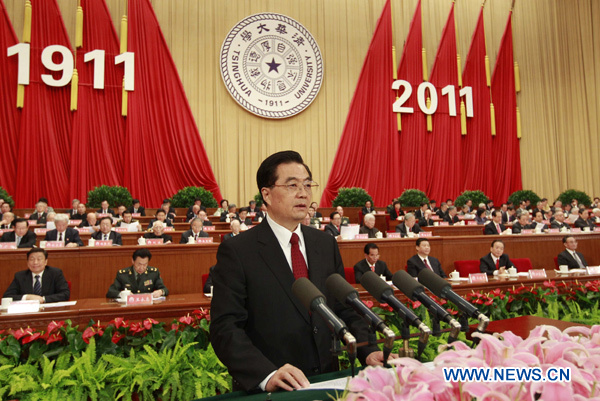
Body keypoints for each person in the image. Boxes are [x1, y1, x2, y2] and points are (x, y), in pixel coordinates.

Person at [210, 151, 384, 392]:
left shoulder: (324, 244)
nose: (303, 193)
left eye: (307, 184)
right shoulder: (238, 250)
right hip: (273, 390)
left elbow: (343, 307)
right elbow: (225, 328)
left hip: (326, 383)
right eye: (292, 185)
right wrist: (266, 374)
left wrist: (368, 350)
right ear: (267, 195)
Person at [3, 248, 70, 303]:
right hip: (27, 311)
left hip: (50, 310)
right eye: (32, 259)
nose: (35, 262)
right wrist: (27, 297)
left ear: (46, 262)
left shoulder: (55, 273)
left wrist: (43, 299)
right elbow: (7, 296)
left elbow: (65, 294)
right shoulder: (20, 276)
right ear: (27, 262)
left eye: (39, 259)